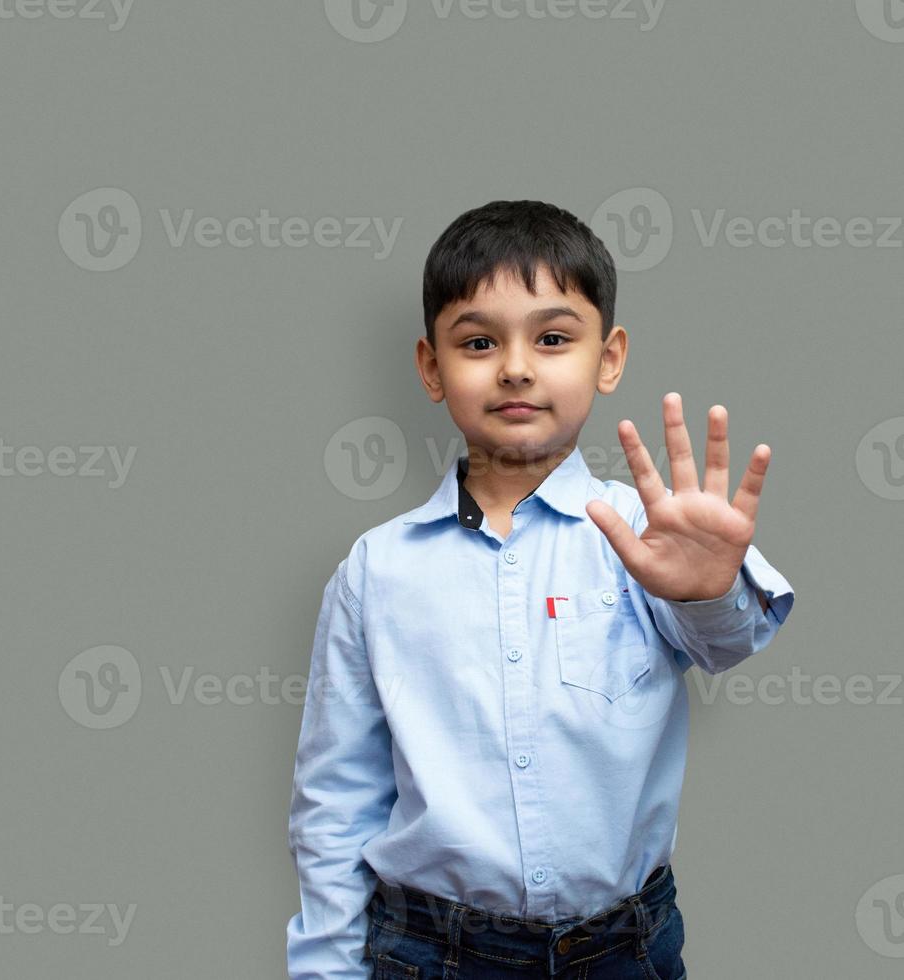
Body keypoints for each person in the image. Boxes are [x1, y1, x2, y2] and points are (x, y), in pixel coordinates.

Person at [285, 200, 797, 979]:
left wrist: (704, 592)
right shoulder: (376, 571)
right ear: (431, 367)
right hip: (430, 954)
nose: (517, 367)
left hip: (626, 952)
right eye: (479, 342)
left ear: (609, 356)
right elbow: (335, 796)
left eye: (553, 338)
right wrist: (326, 970)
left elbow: (724, 645)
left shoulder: (647, 535)